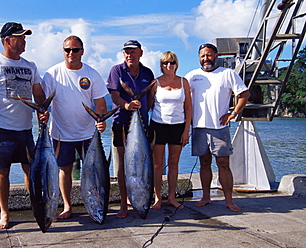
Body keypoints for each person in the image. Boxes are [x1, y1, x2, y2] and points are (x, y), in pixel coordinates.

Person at [0, 22, 47, 229]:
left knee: (31, 170)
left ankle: (36, 209)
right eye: (20, 37)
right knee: (2, 171)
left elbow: (38, 94)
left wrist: (42, 110)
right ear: (7, 40)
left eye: (25, 37)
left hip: (25, 129)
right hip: (0, 128)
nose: (24, 41)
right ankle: (4, 212)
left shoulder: (30, 65)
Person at [40, 35, 108, 219]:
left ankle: (93, 204)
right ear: (63, 51)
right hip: (61, 134)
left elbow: (100, 103)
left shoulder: (92, 74)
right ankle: (67, 206)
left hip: (88, 133)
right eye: (67, 50)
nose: (71, 53)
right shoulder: (52, 74)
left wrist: (101, 119)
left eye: (75, 49)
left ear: (82, 51)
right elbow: (43, 103)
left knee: (93, 172)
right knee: (65, 170)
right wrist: (43, 115)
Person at [185, 43, 250, 212]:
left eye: (209, 55)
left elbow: (244, 94)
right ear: (199, 57)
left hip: (219, 128)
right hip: (198, 127)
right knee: (204, 163)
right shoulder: (191, 76)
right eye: (202, 56)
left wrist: (233, 113)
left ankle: (229, 201)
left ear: (216, 56)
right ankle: (206, 197)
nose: (206, 58)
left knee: (223, 164)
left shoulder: (228, 74)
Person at [106, 40, 154, 218]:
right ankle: (123, 204)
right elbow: (114, 95)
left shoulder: (147, 73)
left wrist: (144, 106)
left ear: (140, 53)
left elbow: (150, 99)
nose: (129, 55)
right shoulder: (116, 70)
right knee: (123, 163)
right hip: (121, 122)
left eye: (133, 52)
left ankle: (137, 200)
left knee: (143, 163)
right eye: (126, 52)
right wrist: (127, 106)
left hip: (141, 123)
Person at [148, 51, 192, 209]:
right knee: (157, 164)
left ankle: (172, 198)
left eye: (172, 63)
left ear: (176, 65)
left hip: (178, 126)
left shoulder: (183, 82)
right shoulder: (155, 83)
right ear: (161, 66)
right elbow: (149, 106)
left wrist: (186, 130)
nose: (169, 66)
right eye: (165, 63)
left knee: (174, 163)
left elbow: (188, 107)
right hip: (158, 126)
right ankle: (157, 198)